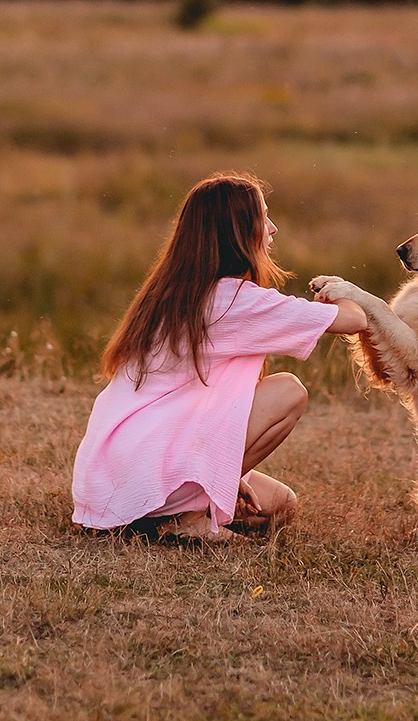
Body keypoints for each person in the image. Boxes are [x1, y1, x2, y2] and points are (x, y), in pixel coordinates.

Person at [71, 171, 367, 541]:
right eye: (263, 217)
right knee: (289, 390)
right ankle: (186, 514)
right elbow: (354, 319)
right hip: (144, 462)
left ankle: (161, 515)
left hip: (111, 470)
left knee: (279, 505)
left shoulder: (171, 292)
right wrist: (337, 289)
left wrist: (229, 476)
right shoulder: (233, 301)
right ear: (237, 231)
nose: (272, 229)